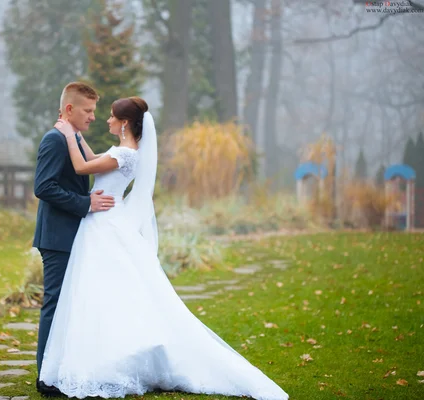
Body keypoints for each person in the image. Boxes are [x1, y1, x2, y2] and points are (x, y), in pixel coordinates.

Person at [38, 96, 290, 400]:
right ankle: (93, 356)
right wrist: (76, 135)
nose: (105, 120)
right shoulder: (122, 151)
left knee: (103, 292)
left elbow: (81, 168)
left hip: (104, 222)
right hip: (101, 222)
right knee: (97, 293)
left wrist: (67, 135)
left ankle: (104, 358)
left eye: (111, 117)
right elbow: (92, 158)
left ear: (124, 123)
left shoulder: (125, 154)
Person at [33, 82, 117, 396]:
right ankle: (46, 377)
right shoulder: (55, 140)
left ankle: (61, 370)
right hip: (57, 236)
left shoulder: (73, 138)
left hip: (73, 234)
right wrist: (85, 204)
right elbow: (43, 187)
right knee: (54, 304)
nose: (93, 117)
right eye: (88, 110)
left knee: (69, 305)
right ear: (69, 109)